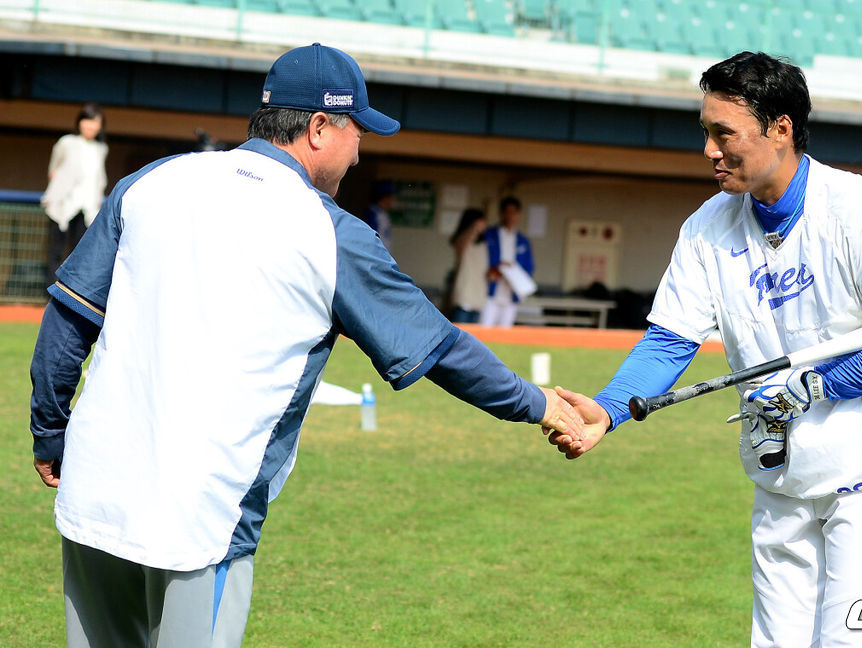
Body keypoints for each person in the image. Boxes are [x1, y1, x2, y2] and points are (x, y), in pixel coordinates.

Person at [29, 43, 582, 648]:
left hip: (93, 497)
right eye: (358, 130)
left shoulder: (151, 182)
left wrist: (51, 433)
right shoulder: (331, 231)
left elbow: (68, 320)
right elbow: (441, 349)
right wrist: (542, 405)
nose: (361, 148)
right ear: (320, 128)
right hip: (203, 522)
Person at [547, 51, 862, 648]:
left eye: (724, 134)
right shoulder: (707, 227)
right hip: (782, 469)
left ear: (781, 129)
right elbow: (671, 338)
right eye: (705, 133)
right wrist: (609, 408)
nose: (709, 150)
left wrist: (816, 385)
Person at [40, 102, 108, 286]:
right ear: (79, 122)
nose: (90, 125)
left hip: (87, 207)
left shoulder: (101, 149)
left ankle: (72, 292)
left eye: (95, 122)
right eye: (87, 120)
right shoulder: (66, 143)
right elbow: (53, 170)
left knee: (80, 252)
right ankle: (51, 293)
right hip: (62, 204)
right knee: (55, 250)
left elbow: (99, 178)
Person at [479, 196, 534, 327]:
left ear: (519, 215)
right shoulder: (489, 235)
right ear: (501, 213)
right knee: (484, 330)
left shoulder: (523, 241)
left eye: (514, 212)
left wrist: (514, 270)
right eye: (507, 212)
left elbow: (529, 267)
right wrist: (496, 269)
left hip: (511, 293)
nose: (510, 216)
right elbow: (479, 259)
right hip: (490, 292)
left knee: (505, 332)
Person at [448, 207, 489, 323]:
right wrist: (475, 228)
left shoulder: (483, 244)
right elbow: (462, 243)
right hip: (464, 295)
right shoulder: (461, 240)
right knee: (461, 333)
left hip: (479, 296)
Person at [362, 179, 396, 253]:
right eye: (391, 196)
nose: (393, 199)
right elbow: (371, 239)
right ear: (384, 197)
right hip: (375, 255)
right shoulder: (373, 213)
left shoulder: (382, 213)